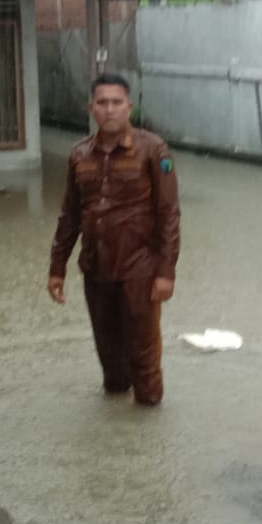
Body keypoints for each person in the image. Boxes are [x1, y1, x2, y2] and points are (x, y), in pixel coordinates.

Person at [48, 72, 180, 406]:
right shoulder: (79, 155)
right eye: (102, 103)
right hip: (96, 270)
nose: (110, 110)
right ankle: (116, 436)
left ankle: (148, 438)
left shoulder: (154, 150)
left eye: (116, 102)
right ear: (91, 107)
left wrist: (166, 272)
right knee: (109, 360)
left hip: (141, 271)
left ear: (129, 107)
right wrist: (57, 267)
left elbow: (168, 214)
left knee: (145, 361)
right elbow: (70, 216)